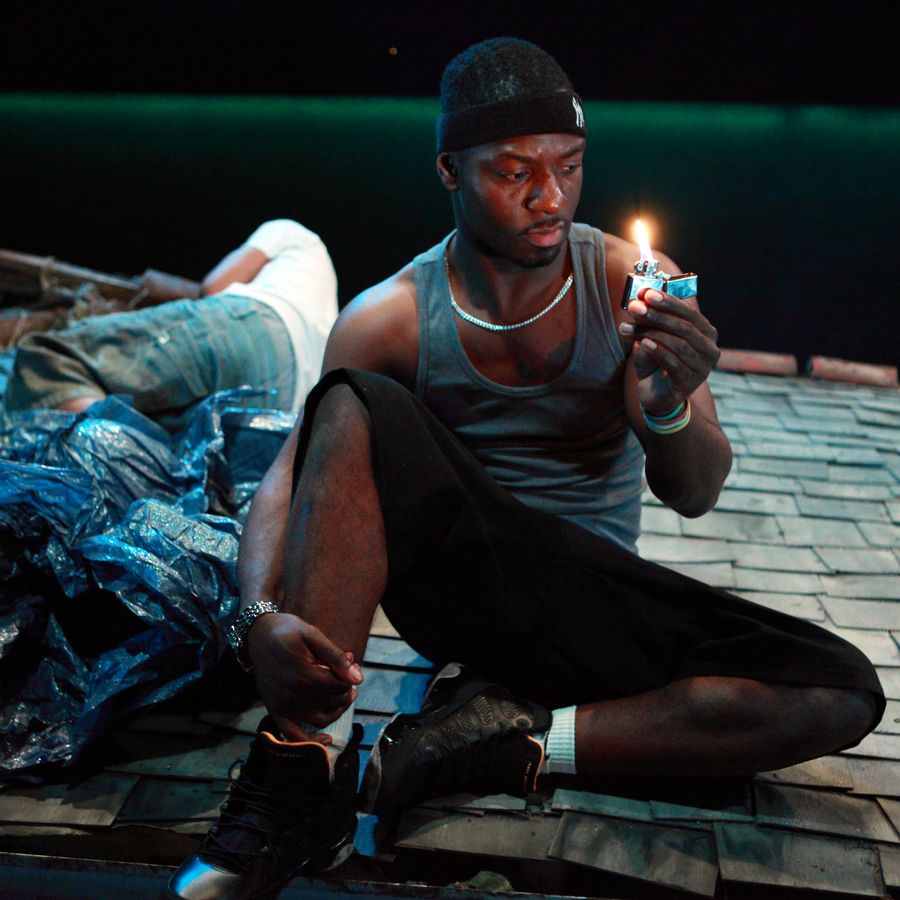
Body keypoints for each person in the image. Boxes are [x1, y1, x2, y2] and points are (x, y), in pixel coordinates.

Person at [168, 39, 884, 900]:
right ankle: (299, 770)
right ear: (450, 171)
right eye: (514, 173)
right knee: (351, 398)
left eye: (569, 167)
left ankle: (512, 743)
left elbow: (695, 494)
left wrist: (667, 404)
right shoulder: (391, 316)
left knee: (840, 689)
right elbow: (291, 478)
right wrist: (257, 618)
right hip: (460, 588)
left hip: (587, 596)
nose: (550, 198)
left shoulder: (631, 285)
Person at [4, 219, 339, 430]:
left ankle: (106, 443)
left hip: (253, 321)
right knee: (164, 435)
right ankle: (127, 451)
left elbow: (213, 287)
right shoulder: (330, 325)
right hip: (280, 401)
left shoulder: (297, 236)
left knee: (52, 358)